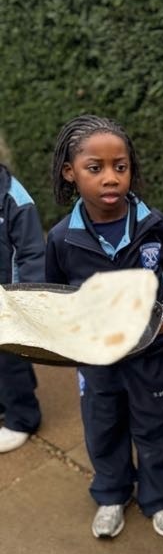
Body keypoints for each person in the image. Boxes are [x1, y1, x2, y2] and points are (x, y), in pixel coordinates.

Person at [46, 115, 163, 540]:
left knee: (158, 427)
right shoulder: (62, 239)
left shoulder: (153, 225)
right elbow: (56, 295)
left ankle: (159, 495)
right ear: (70, 173)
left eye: (119, 167)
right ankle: (111, 492)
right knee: (103, 426)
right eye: (95, 168)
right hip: (97, 359)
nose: (110, 177)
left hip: (152, 354)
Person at [0, 158, 45, 453]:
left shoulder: (14, 199)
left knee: (10, 360)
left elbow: (31, 253)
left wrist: (25, 299)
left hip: (9, 298)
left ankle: (23, 418)